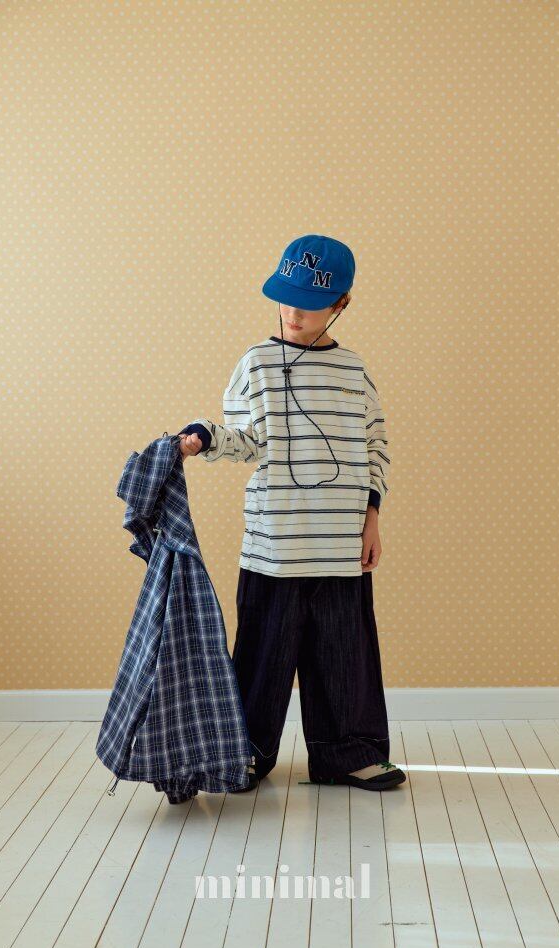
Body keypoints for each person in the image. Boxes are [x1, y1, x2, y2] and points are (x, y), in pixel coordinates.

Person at [176, 234, 406, 792]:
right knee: (262, 656)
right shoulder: (255, 364)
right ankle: (244, 752)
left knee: (344, 656)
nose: (292, 312)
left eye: (308, 302)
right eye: (286, 298)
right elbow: (247, 441)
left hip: (340, 546)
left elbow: (374, 447)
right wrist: (205, 437)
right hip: (275, 546)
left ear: (341, 304)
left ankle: (347, 754)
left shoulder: (354, 372)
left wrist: (372, 516)